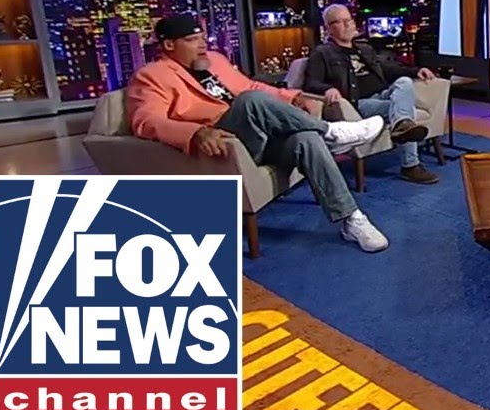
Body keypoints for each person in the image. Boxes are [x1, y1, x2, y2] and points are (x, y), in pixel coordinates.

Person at [127, 14, 391, 253]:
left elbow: (251, 86)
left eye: (202, 37)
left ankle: (351, 219)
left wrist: (293, 96)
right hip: (226, 144)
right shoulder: (152, 76)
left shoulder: (215, 61)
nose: (202, 44)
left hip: (258, 135)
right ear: (169, 45)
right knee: (249, 101)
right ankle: (331, 132)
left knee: (306, 139)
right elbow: (146, 121)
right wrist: (196, 133)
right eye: (192, 40)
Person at [301, 4, 439, 184]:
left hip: (382, 94)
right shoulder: (322, 53)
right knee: (406, 109)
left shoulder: (364, 48)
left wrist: (416, 70)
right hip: (359, 103)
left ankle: (402, 125)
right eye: (340, 22)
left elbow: (388, 69)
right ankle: (410, 165)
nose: (347, 25)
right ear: (328, 28)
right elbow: (310, 83)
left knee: (404, 82)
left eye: (348, 20)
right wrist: (327, 89)